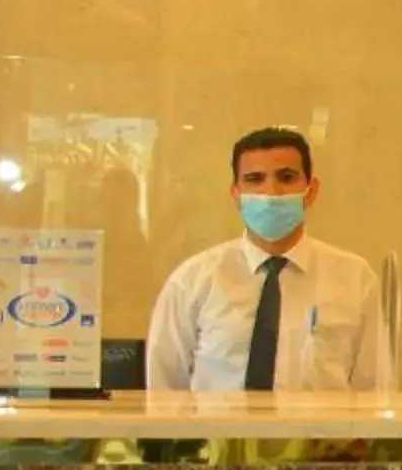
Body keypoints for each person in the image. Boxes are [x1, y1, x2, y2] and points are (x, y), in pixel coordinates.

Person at [146, 128, 386, 392]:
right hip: (218, 433)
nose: (271, 191)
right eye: (254, 179)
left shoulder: (355, 279)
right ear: (236, 194)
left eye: (286, 177)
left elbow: (373, 389)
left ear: (311, 190)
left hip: (322, 434)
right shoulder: (193, 280)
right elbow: (164, 387)